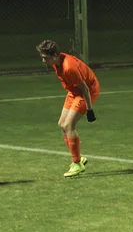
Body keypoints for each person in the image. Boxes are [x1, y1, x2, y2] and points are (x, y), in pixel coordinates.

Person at [36, 40, 100, 177]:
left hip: (86, 92)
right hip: (73, 92)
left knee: (69, 125)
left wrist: (89, 109)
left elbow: (86, 89)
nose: (43, 60)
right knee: (62, 124)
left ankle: (77, 164)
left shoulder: (68, 67)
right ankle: (78, 157)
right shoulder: (56, 63)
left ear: (54, 56)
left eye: (45, 58)